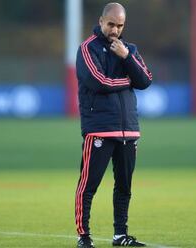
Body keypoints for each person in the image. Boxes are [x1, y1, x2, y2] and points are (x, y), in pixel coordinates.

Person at [74, 2, 152, 248]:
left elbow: (146, 80)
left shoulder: (130, 50)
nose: (115, 30)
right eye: (111, 24)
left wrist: (127, 58)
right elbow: (100, 82)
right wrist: (127, 81)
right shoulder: (87, 49)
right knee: (88, 186)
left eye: (119, 25)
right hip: (99, 128)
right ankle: (83, 236)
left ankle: (120, 235)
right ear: (101, 21)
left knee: (124, 188)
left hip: (128, 129)